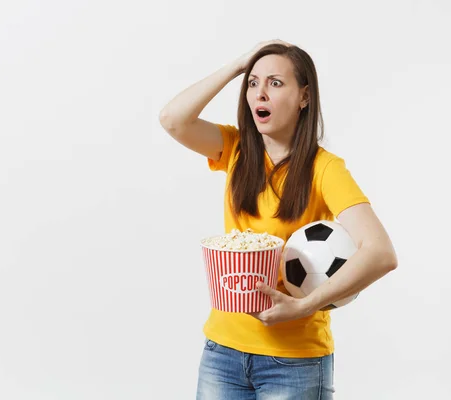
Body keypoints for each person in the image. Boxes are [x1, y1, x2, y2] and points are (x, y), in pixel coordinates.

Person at [159, 40, 398, 400]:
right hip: (222, 352)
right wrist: (239, 64)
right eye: (253, 84)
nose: (260, 94)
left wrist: (304, 306)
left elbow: (380, 252)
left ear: (304, 96)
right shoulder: (235, 148)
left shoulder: (325, 169)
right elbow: (173, 119)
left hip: (294, 363)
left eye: (275, 83)